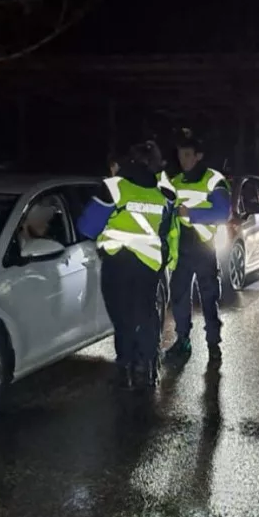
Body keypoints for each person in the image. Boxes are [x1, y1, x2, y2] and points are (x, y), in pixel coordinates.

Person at [77, 140, 178, 390]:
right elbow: (167, 230)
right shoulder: (165, 194)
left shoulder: (114, 188)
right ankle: (145, 364)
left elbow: (87, 227)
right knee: (144, 313)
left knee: (121, 316)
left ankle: (125, 362)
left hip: (117, 261)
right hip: (149, 265)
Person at [165, 137, 231, 362]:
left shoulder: (214, 180)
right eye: (180, 155)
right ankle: (182, 341)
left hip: (204, 248)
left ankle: (214, 344)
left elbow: (223, 213)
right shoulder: (175, 182)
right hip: (182, 248)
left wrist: (191, 214)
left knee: (209, 298)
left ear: (198, 156)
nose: (182, 160)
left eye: (187, 155)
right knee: (179, 297)